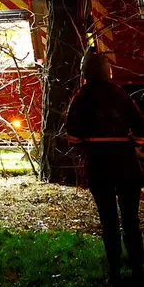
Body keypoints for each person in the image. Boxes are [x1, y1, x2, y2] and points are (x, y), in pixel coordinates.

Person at [66, 51, 144, 284]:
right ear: (107, 71)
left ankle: (115, 271)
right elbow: (141, 129)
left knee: (108, 220)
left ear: (86, 72)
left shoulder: (81, 97)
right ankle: (138, 269)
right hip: (127, 167)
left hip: (99, 168)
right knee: (131, 219)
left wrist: (88, 145)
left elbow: (72, 135)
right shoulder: (121, 95)